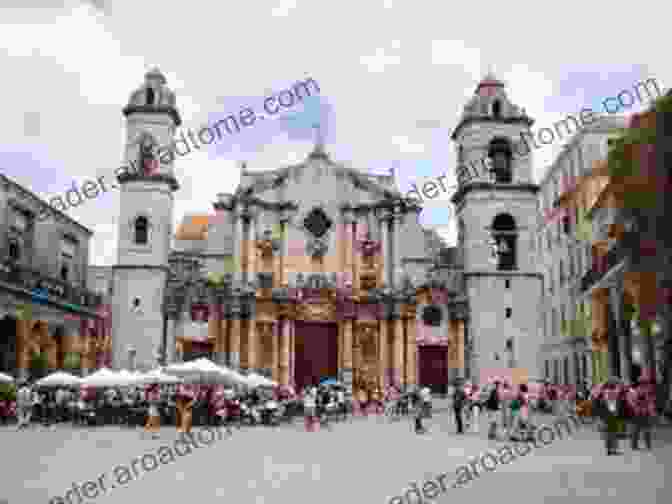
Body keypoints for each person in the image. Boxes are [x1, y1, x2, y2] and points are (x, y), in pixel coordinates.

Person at [630, 372, 657, 451]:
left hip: (639, 412)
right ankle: (646, 445)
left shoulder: (637, 391)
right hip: (641, 412)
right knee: (642, 430)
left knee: (638, 430)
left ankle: (636, 445)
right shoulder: (642, 391)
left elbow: (650, 402)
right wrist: (652, 412)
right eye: (645, 382)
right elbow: (650, 402)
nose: (646, 384)